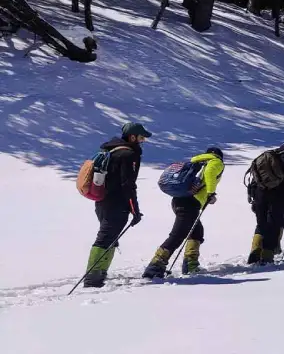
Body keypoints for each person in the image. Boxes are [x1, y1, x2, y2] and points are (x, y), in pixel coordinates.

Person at [82, 122, 150, 288]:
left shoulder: (111, 150)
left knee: (109, 238)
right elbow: (128, 185)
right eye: (141, 137)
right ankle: (93, 278)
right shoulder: (128, 155)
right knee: (105, 239)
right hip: (117, 204)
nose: (143, 141)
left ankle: (99, 274)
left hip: (101, 202)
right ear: (132, 137)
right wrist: (135, 210)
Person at [142, 147, 225, 278]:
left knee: (197, 232)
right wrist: (210, 192)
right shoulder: (215, 162)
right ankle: (155, 266)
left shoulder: (197, 161)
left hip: (179, 200)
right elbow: (209, 173)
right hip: (190, 203)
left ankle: (190, 264)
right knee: (178, 235)